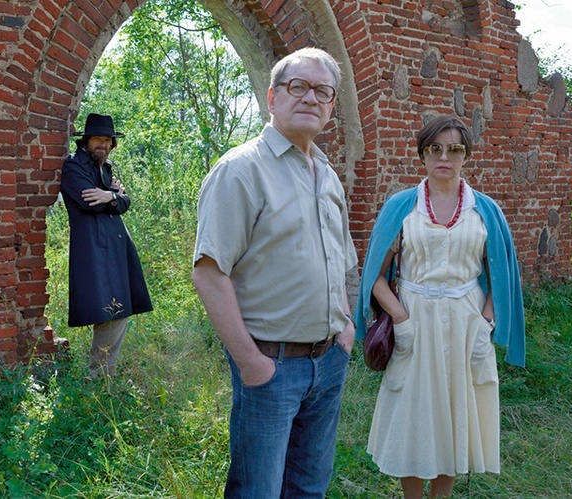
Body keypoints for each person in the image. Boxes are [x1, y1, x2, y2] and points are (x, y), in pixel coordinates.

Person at [192, 48, 358, 498]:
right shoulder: (241, 170)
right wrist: (252, 363)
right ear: (272, 96)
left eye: (322, 91)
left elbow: (341, 261)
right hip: (271, 367)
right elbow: (209, 273)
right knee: (258, 492)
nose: (310, 98)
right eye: (297, 86)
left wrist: (345, 331)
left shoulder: (327, 174)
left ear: (330, 105)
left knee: (308, 488)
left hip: (328, 363)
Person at [354, 115, 526, 498]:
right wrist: (400, 318)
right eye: (435, 149)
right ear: (423, 155)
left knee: (455, 417)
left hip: (466, 325)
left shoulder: (485, 211)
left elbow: (500, 274)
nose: (444, 157)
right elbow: (374, 278)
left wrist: (486, 323)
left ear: (466, 156)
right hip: (415, 321)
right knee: (413, 418)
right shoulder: (403, 207)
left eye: (454, 149)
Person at [60, 113, 153, 379]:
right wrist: (113, 197)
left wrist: (111, 196)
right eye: (97, 139)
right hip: (93, 248)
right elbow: (89, 201)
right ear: (86, 141)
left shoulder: (105, 167)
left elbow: (125, 202)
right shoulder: (73, 166)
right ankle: (97, 377)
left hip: (116, 247)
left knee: (119, 310)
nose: (102, 144)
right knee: (106, 310)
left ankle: (104, 376)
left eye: (107, 140)